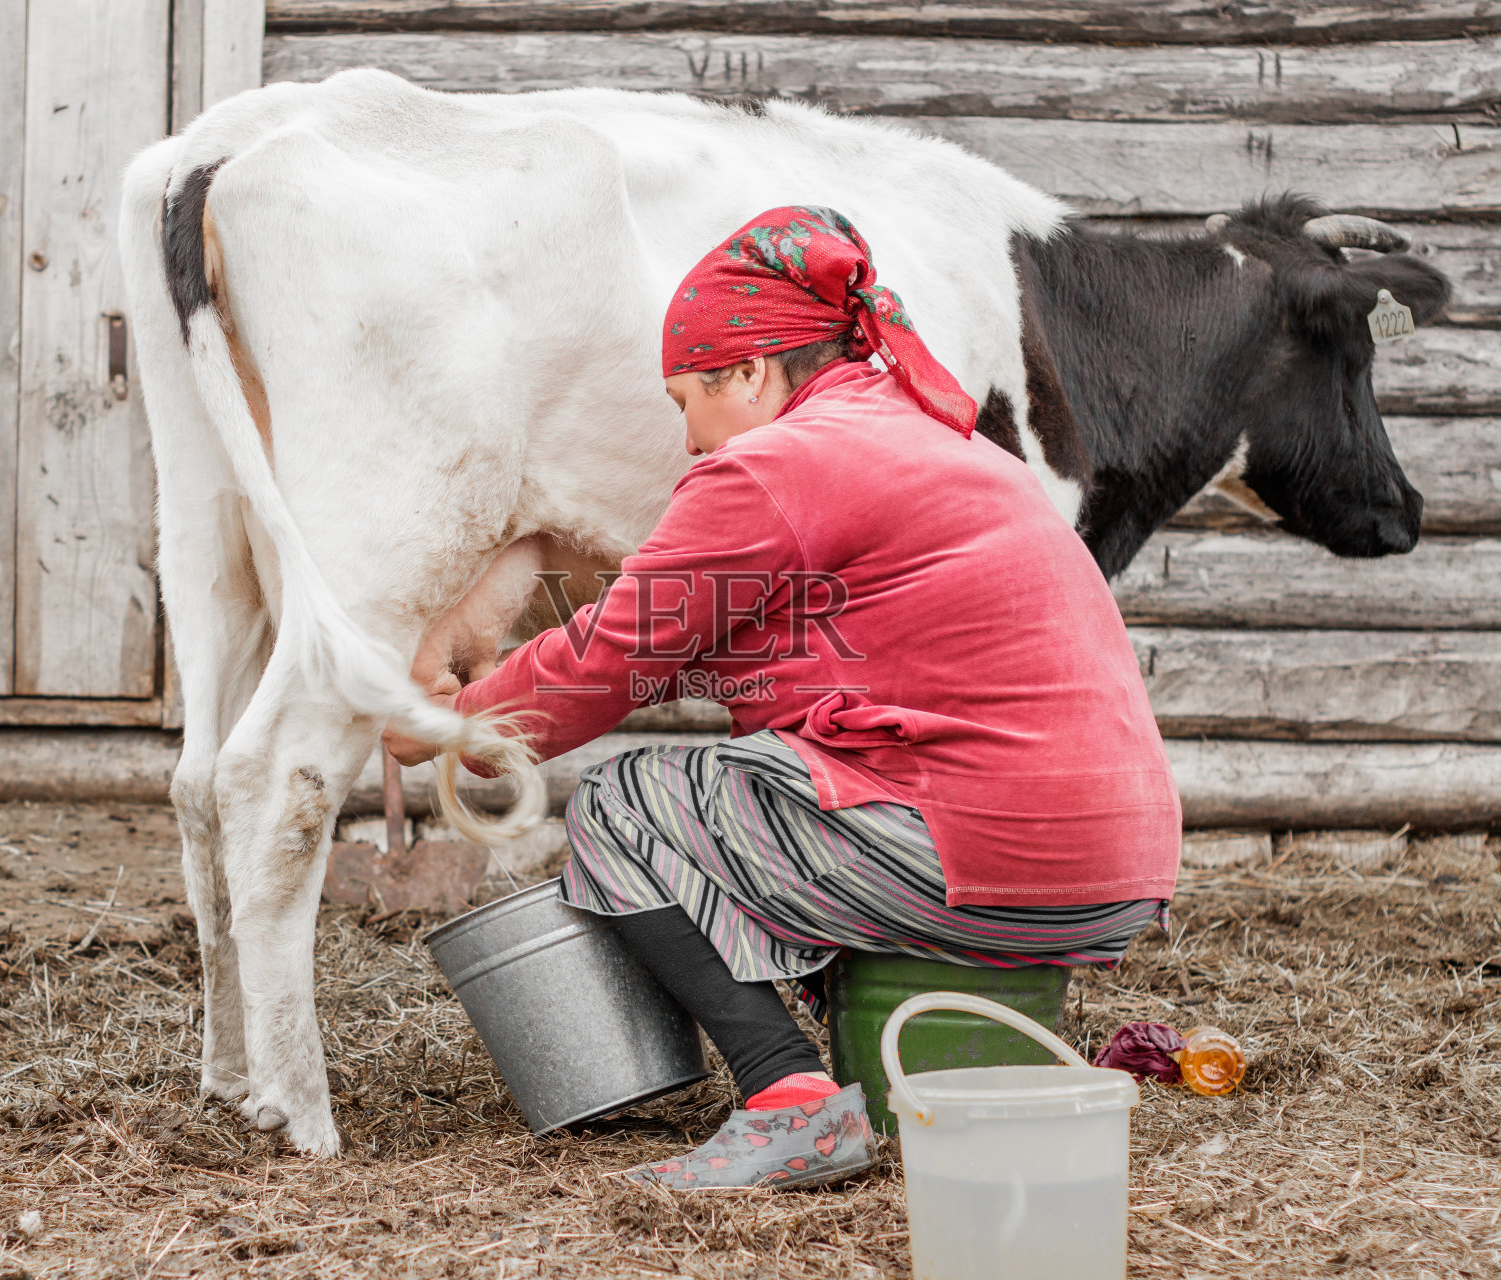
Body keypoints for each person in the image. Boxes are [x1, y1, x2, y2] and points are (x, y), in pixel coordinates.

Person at [388, 206, 1181, 1190]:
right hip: (1111, 868)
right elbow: (758, 648)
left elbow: (611, 658)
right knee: (763, 789)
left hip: (985, 845)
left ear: (753, 373)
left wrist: (445, 725)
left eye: (687, 398)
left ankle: (785, 1096)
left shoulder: (778, 463)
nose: (689, 438)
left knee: (628, 804)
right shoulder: (950, 447)